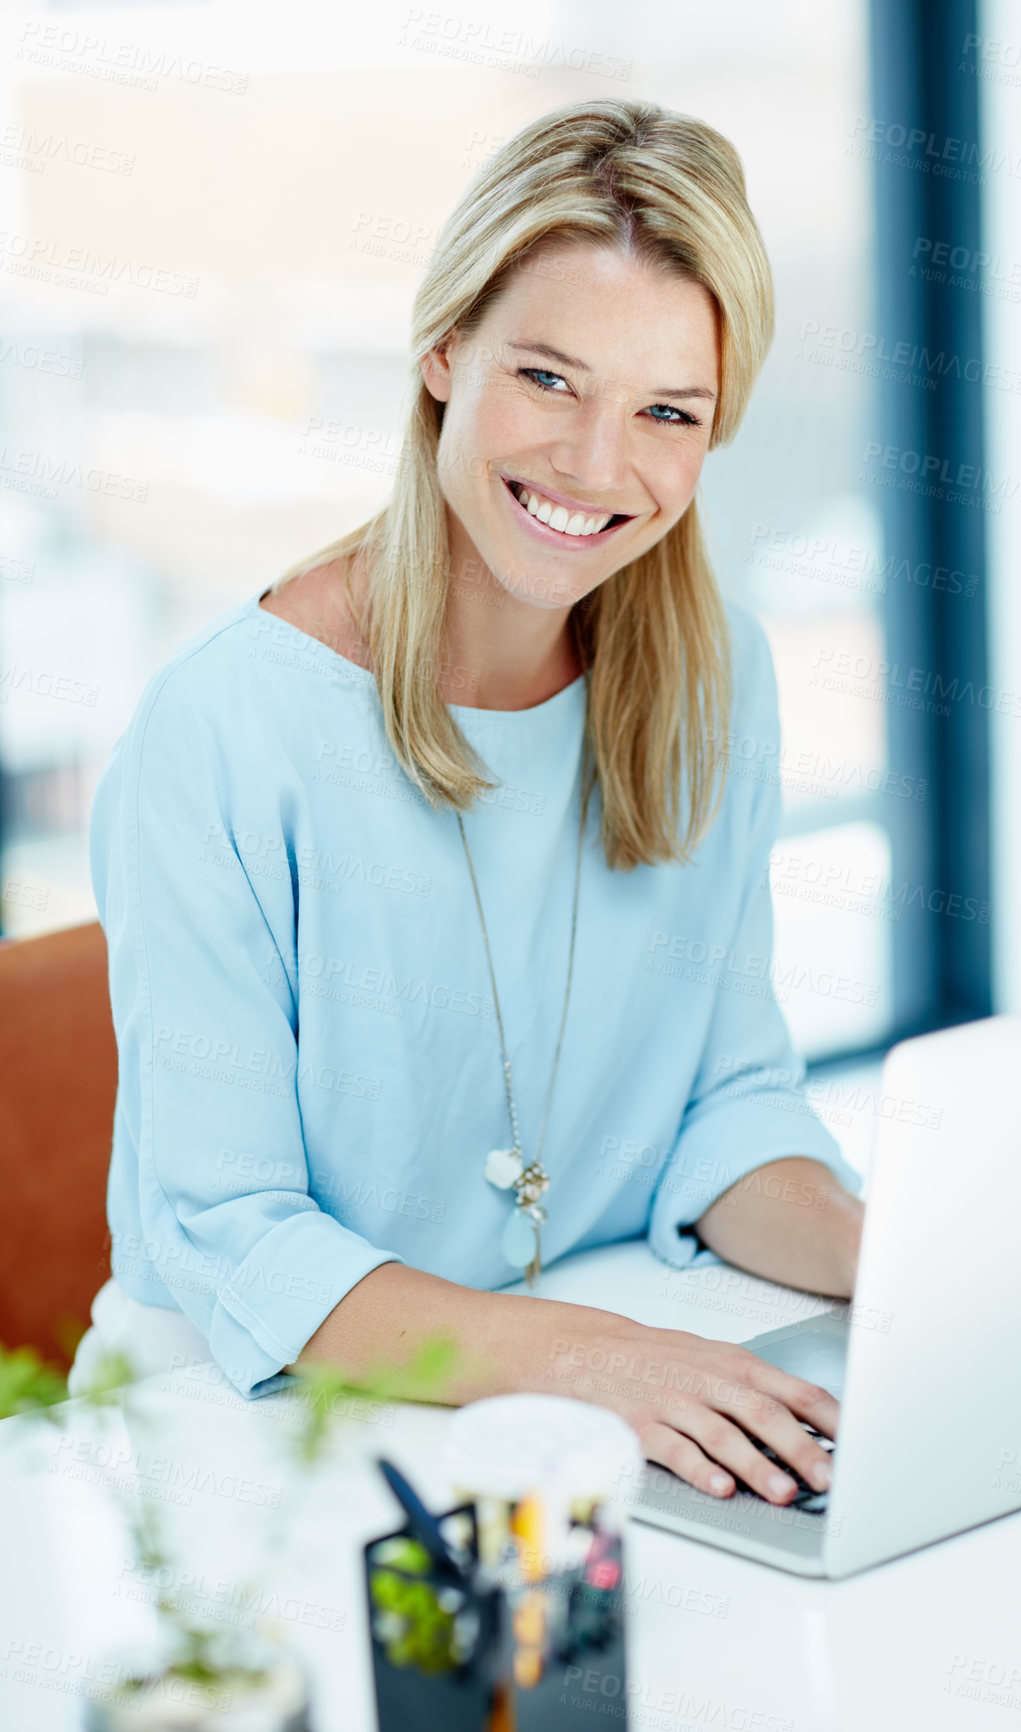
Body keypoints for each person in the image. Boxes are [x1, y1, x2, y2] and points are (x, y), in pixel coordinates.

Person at [72, 99, 865, 1510]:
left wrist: (914, 1269)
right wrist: (593, 1362)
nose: (594, 464)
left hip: (567, 1407)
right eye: (549, 378)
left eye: (666, 411)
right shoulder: (223, 733)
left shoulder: (716, 678)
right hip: (251, 1435)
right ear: (442, 351)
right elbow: (234, 1234)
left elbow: (724, 1107)